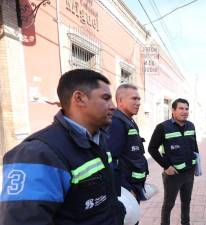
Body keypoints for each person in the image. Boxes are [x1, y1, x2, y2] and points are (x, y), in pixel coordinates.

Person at [0, 69, 125, 225]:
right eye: (106, 98)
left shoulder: (98, 140)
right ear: (79, 98)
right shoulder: (37, 154)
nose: (113, 106)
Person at [148, 98, 199, 225]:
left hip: (189, 173)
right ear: (173, 110)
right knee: (169, 204)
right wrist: (166, 166)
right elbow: (152, 149)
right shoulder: (163, 127)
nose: (184, 111)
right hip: (173, 174)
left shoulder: (191, 126)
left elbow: (195, 147)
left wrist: (196, 165)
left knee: (186, 202)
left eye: (186, 109)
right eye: (181, 108)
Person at [107, 84, 148, 223]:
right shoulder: (116, 122)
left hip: (134, 186)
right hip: (127, 189)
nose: (138, 103)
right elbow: (111, 159)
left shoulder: (128, 120)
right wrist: (125, 188)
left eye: (139, 99)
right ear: (120, 101)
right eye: (134, 99)